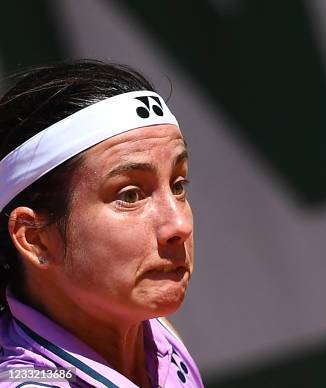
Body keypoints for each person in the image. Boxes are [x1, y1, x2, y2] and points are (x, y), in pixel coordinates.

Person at [0, 60, 204, 387]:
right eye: (130, 194)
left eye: (178, 186)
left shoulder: (155, 334)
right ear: (35, 238)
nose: (178, 224)